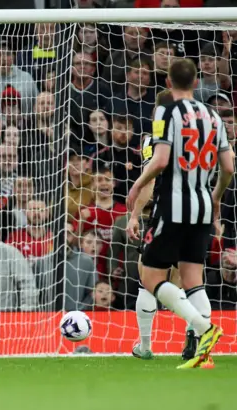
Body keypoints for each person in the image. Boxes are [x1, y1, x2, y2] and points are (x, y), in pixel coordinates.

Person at [126, 58, 234, 369]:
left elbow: (159, 161)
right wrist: (215, 198)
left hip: (173, 207)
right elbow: (228, 167)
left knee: (149, 275)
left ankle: (203, 329)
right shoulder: (215, 116)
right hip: (202, 206)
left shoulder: (166, 111)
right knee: (193, 280)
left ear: (169, 83)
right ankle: (204, 353)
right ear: (197, 82)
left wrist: (137, 186)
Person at [126, 89, 198, 362]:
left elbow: (152, 182)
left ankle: (145, 346)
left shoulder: (155, 140)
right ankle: (193, 331)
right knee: (188, 279)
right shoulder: (200, 137)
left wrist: (134, 215)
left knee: (148, 278)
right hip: (197, 211)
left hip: (168, 211)